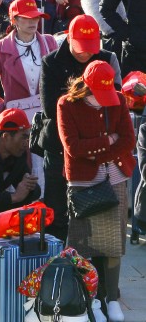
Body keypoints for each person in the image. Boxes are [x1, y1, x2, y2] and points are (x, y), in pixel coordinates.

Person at [58, 60, 135, 321]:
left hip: (115, 177)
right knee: (82, 244)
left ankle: (112, 298)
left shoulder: (120, 101)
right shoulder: (66, 105)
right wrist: (106, 142)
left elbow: (127, 140)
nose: (104, 100)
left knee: (114, 243)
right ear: (86, 85)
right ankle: (89, 299)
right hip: (83, 181)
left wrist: (97, 151)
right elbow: (72, 147)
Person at [39, 14, 122, 241]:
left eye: (90, 47)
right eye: (81, 47)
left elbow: (115, 105)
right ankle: (54, 267)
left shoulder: (107, 58)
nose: (86, 53)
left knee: (94, 215)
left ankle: (90, 268)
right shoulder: (51, 62)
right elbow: (49, 108)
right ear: (69, 39)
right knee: (57, 213)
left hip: (97, 152)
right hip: (59, 147)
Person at [0, 0, 57, 117]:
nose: (32, 21)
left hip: (47, 115)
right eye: (26, 17)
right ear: (14, 20)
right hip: (17, 119)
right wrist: (3, 110)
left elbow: (61, 76)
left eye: (36, 17)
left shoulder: (50, 42)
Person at [0, 108, 41, 214]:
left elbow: (27, 193)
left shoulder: (18, 154)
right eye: (23, 137)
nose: (27, 143)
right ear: (5, 137)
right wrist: (13, 197)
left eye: (28, 138)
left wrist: (30, 186)